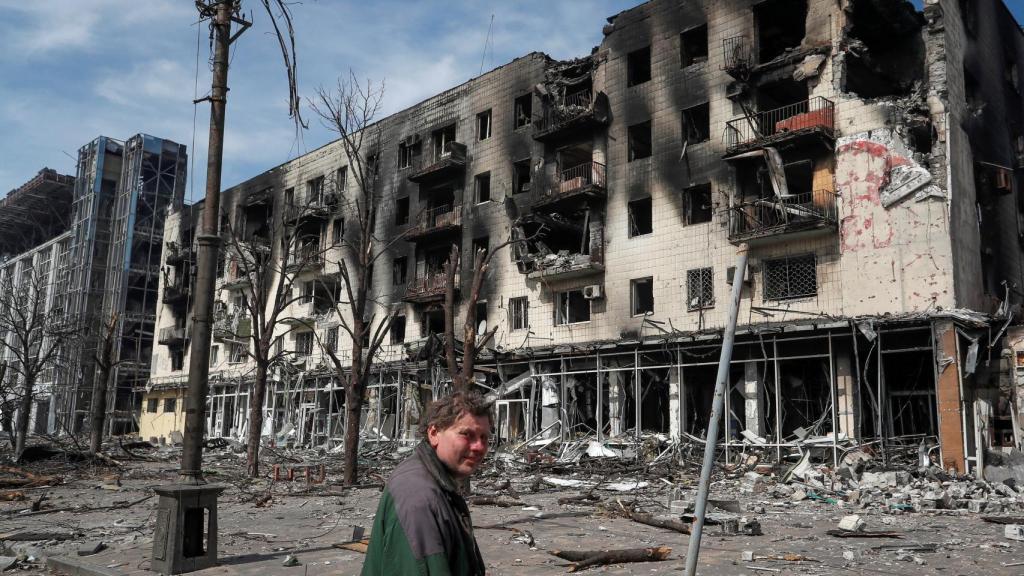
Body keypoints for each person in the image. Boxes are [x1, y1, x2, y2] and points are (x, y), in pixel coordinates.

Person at [361, 391, 491, 575]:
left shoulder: (438, 482)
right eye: (466, 434)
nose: (478, 446)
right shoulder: (419, 499)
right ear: (434, 433)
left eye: (484, 437)